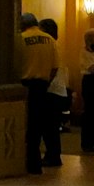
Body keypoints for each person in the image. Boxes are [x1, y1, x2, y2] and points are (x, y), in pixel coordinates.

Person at [18, 11, 60, 172]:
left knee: (27, 125)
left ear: (23, 25)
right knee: (38, 125)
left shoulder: (21, 39)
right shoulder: (50, 40)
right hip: (42, 85)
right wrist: (46, 82)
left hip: (25, 85)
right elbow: (55, 66)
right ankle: (36, 164)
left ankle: (28, 162)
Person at [39, 18, 68, 161]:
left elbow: (52, 69)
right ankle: (54, 154)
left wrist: (44, 84)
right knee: (52, 127)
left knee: (49, 127)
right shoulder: (56, 45)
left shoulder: (49, 45)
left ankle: (53, 155)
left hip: (52, 90)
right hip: (59, 90)